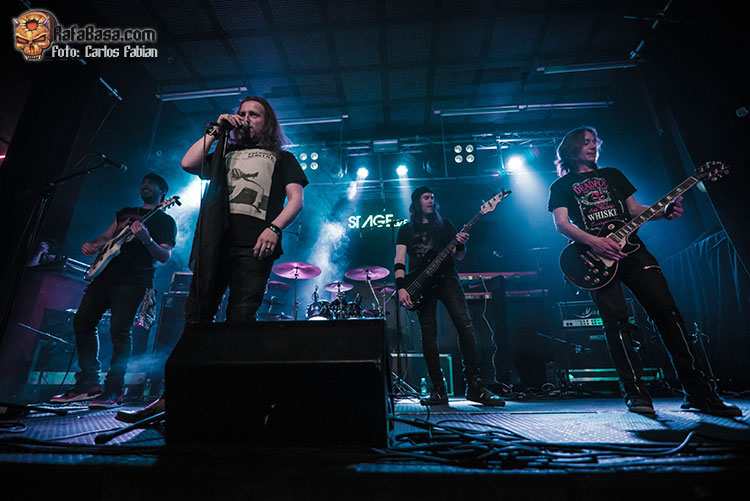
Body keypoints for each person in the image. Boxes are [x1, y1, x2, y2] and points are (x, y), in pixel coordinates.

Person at [116, 97, 306, 423]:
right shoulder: (224, 153)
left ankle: (233, 402)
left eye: (254, 114)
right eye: (242, 113)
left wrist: (274, 228)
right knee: (196, 319)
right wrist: (217, 129)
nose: (246, 118)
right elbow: (187, 163)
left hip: (254, 246)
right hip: (213, 243)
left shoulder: (282, 157)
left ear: (267, 122)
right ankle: (172, 399)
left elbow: (296, 200)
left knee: (240, 320)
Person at [547, 126, 741, 417]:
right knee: (617, 324)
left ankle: (700, 393)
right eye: (586, 142)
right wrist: (594, 242)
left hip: (633, 252)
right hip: (595, 259)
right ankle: (636, 394)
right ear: (571, 148)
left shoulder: (612, 175)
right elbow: (562, 224)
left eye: (594, 141)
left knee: (668, 314)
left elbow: (635, 210)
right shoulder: (561, 186)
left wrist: (663, 212)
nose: (593, 146)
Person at [50, 173, 176, 408]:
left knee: (120, 332)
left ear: (163, 193)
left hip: (134, 280)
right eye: (143, 181)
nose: (145, 185)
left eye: (151, 183)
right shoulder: (125, 212)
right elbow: (106, 237)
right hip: (105, 276)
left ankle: (113, 389)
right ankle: (89, 383)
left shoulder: (164, 220)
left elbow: (164, 256)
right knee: (82, 322)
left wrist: (146, 239)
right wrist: (93, 244)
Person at [394, 186, 504, 407]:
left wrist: (460, 244)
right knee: (428, 335)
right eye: (426, 197)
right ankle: (438, 390)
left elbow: (459, 256)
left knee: (465, 327)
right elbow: (399, 259)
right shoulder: (405, 230)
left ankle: (474, 386)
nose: (431, 200)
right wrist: (401, 287)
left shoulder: (445, 226)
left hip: (447, 279)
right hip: (421, 284)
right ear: (416, 202)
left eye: (433, 197)